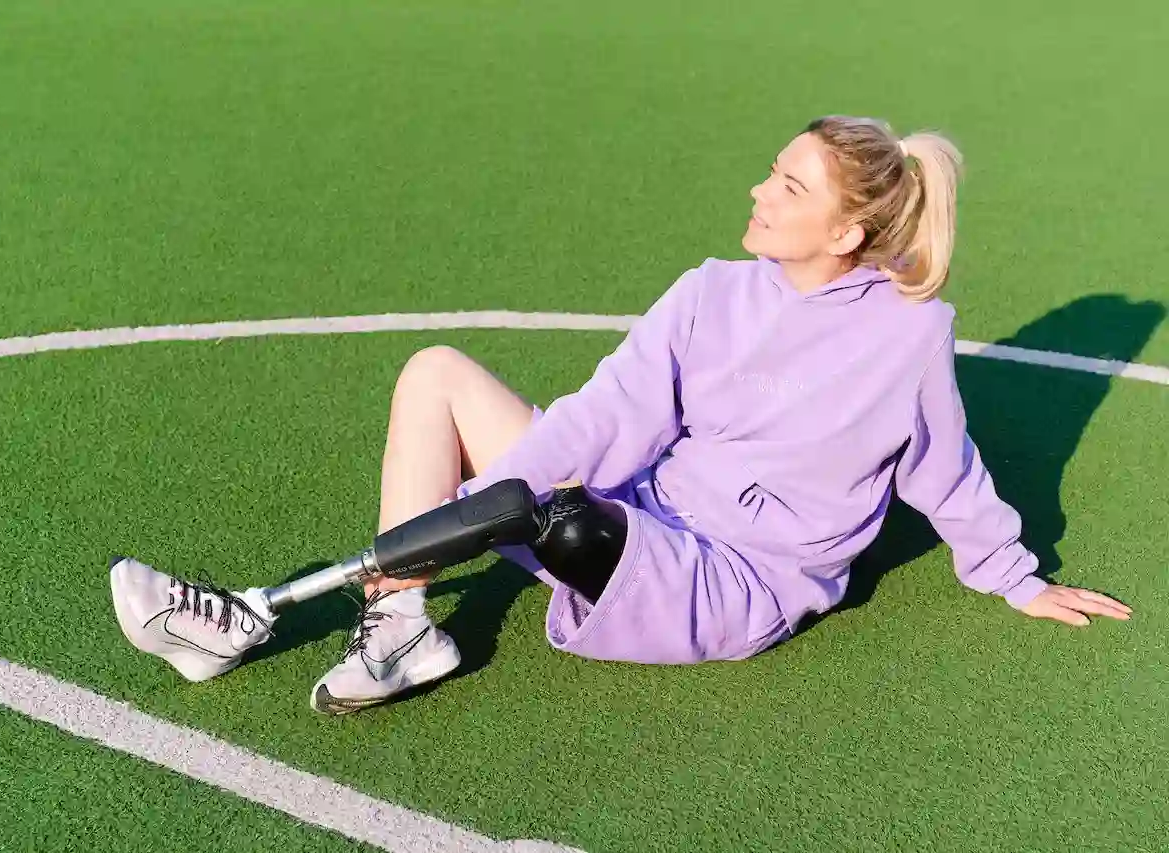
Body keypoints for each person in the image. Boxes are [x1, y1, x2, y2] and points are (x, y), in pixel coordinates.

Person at [109, 115, 1132, 715]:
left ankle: (298, 612)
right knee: (437, 374)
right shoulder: (706, 292)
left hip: (731, 577)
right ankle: (399, 623)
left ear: (848, 225)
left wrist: (1014, 578)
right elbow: (609, 415)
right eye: (770, 172)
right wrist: (503, 489)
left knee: (564, 522)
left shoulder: (904, 340)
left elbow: (943, 474)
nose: (758, 190)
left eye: (787, 184)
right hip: (648, 502)